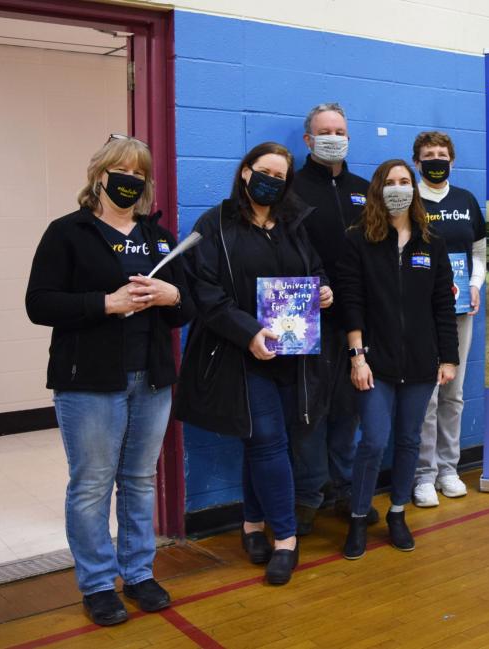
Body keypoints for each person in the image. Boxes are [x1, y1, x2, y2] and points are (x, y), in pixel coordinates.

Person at [25, 136, 195, 625]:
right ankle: (98, 582)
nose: (129, 180)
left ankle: (139, 572)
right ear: (98, 175)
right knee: (92, 484)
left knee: (140, 481)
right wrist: (106, 303)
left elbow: (186, 307)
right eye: (120, 170)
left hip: (152, 379)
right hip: (89, 383)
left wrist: (170, 294)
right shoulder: (68, 232)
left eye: (138, 173)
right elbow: (39, 304)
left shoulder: (159, 238)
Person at [177, 142, 333, 585]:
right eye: (265, 172)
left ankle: (251, 523)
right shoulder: (214, 224)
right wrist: (248, 333)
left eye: (281, 177)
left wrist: (323, 289)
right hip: (240, 354)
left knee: (258, 442)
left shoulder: (292, 224)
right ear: (245, 173)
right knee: (268, 441)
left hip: (290, 352)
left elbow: (315, 269)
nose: (272, 181)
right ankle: (285, 538)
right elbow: (206, 293)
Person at [336, 159, 458, 559]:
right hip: (374, 361)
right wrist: (357, 357)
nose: (399, 188)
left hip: (422, 364)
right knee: (373, 440)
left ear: (415, 189)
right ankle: (358, 516)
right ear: (378, 189)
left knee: (409, 440)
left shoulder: (431, 241)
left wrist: (448, 358)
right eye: (391, 182)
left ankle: (398, 512)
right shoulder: (358, 239)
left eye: (405, 181)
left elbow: (443, 305)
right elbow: (350, 303)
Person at [289, 102, 373, 533]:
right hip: (306, 317)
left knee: (348, 410)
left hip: (355, 319)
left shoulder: (364, 188)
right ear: (308, 140)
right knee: (309, 413)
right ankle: (307, 495)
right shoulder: (291, 187)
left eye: (340, 129)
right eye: (324, 131)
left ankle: (341, 489)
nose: (333, 136)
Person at [410, 131, 486, 508]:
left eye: (442, 154)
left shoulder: (466, 201)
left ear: (452, 160)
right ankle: (423, 474)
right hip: (419, 312)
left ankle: (448, 468)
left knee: (453, 392)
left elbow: (479, 252)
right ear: (417, 161)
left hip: (458, 311)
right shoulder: (408, 200)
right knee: (426, 394)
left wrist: (474, 285)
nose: (436, 159)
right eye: (428, 155)